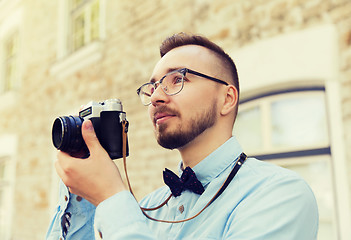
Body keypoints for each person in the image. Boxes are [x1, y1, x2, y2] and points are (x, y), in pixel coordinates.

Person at [46, 33, 319, 239]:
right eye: (152, 87)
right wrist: (81, 195)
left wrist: (111, 197)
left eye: (177, 79)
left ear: (227, 99)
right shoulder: (146, 208)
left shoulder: (279, 194)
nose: (156, 97)